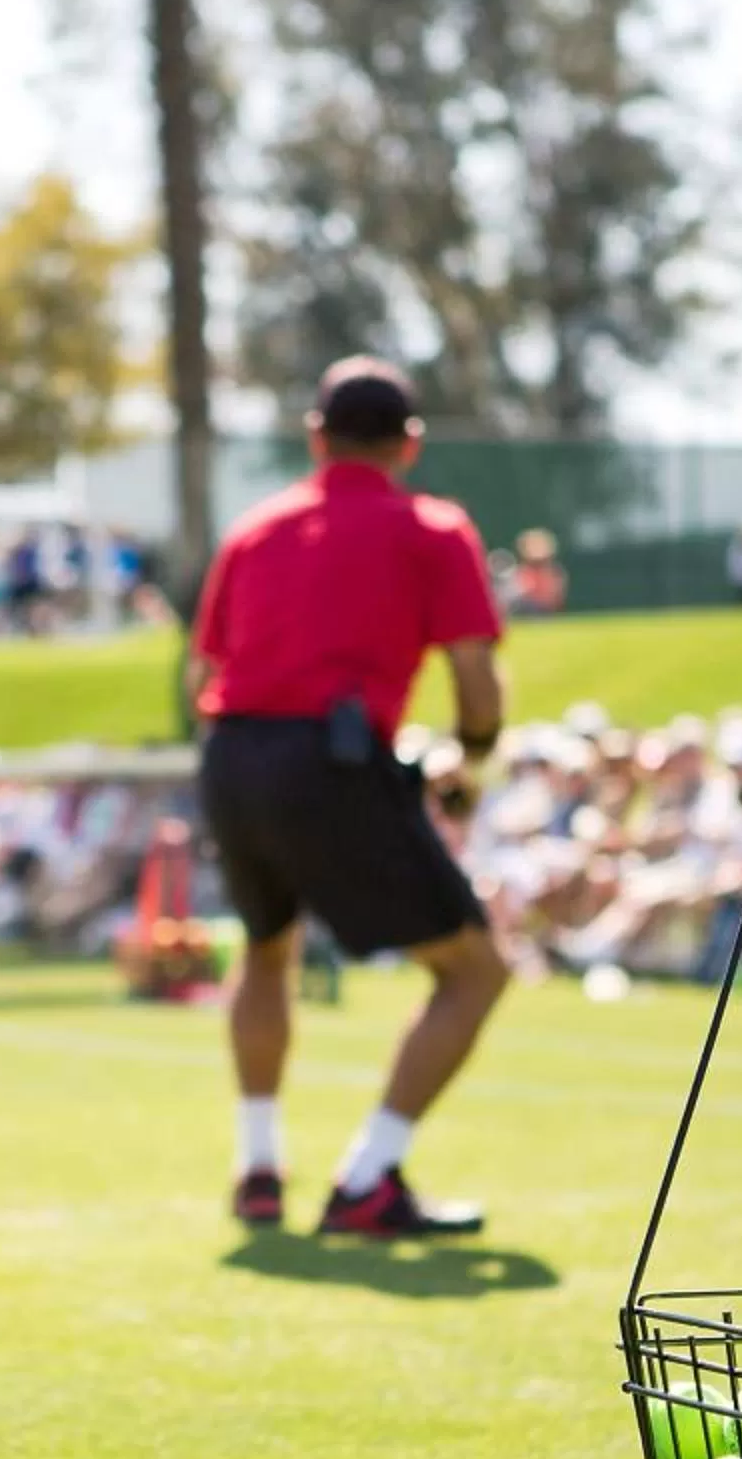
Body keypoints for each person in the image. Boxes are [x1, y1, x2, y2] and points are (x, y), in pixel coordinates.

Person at [193, 356, 509, 1237]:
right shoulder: (433, 529)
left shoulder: (254, 530)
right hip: (329, 763)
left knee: (266, 950)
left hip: (231, 756)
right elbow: (478, 686)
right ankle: (369, 1177)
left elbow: (206, 668)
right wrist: (467, 763)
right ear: (410, 444)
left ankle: (258, 1169)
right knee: (476, 970)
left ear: (313, 435)